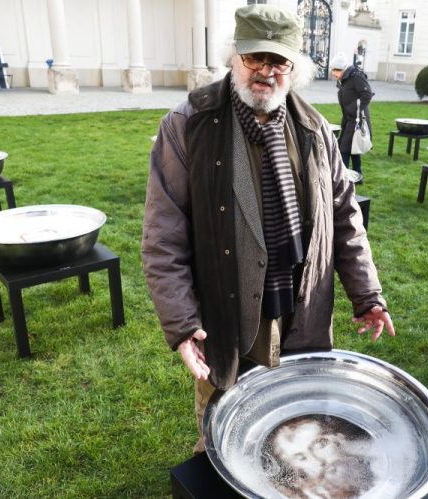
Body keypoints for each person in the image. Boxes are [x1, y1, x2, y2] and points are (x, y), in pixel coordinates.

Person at [141, 4, 394, 454]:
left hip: (303, 314)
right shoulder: (188, 125)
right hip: (227, 319)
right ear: (233, 57)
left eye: (278, 61)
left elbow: (344, 219)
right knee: (223, 434)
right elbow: (163, 239)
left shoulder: (314, 128)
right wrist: (181, 326)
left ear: (294, 69)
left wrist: (367, 295)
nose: (265, 71)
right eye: (254, 57)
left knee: (295, 432)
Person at [330, 52, 374, 183]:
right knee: (353, 147)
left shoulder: (356, 77)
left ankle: (342, 179)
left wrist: (353, 109)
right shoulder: (344, 79)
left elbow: (367, 94)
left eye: (335, 70)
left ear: (342, 69)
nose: (333, 73)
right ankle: (357, 177)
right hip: (349, 118)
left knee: (344, 148)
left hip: (357, 119)